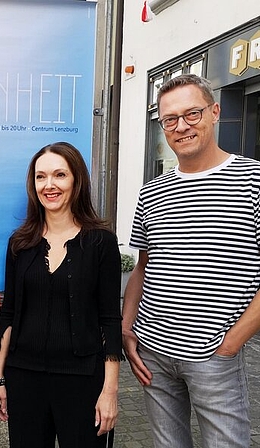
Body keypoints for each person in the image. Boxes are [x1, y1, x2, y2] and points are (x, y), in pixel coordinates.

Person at [122, 74, 260, 448]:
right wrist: (127, 326)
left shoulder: (253, 180)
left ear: (214, 112)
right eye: (170, 119)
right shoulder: (153, 190)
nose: (181, 126)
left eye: (192, 113)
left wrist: (232, 342)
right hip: (153, 354)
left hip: (214, 356)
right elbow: (142, 266)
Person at [0, 142, 122, 447]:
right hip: (24, 379)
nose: (49, 185)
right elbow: (9, 313)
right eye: (40, 177)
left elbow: (110, 320)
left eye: (59, 175)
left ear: (76, 180)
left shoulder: (101, 243)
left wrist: (110, 390)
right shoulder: (19, 244)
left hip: (84, 381)